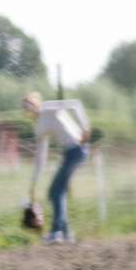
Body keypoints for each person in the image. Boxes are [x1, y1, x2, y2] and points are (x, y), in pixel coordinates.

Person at [22, 92, 91, 245]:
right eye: (27, 108)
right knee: (56, 193)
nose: (30, 109)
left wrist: (85, 128)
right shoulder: (39, 127)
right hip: (69, 153)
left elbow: (75, 104)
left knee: (55, 192)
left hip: (77, 149)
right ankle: (66, 234)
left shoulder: (49, 107)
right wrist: (34, 182)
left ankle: (56, 232)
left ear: (37, 102)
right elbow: (41, 156)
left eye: (31, 104)